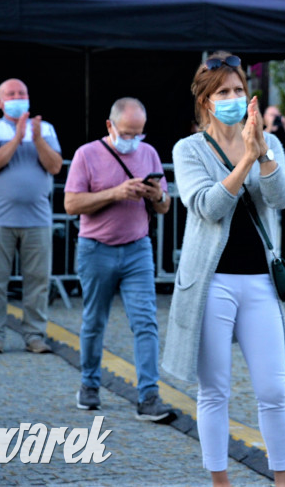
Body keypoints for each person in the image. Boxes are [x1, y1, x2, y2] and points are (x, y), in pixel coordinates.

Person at [163, 52, 285, 487]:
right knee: (215, 390)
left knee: (274, 390)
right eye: (224, 91)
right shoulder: (188, 149)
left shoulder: (267, 141)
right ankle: (220, 481)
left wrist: (262, 154)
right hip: (211, 282)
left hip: (260, 280)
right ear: (206, 100)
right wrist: (245, 160)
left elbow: (283, 198)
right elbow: (207, 206)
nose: (234, 97)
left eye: (239, 89)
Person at [63, 97, 175, 421]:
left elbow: (165, 205)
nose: (133, 140)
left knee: (145, 321)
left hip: (138, 248)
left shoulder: (148, 153)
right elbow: (71, 204)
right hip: (96, 248)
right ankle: (89, 384)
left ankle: (149, 395)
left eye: (139, 133)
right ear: (109, 126)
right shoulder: (86, 154)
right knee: (94, 319)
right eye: (127, 133)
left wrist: (157, 195)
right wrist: (115, 193)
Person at [0, 78, 62, 355]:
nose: (17, 97)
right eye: (11, 94)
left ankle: (35, 335)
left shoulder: (44, 129)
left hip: (37, 219)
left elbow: (55, 166)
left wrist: (36, 139)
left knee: (38, 282)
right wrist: (17, 138)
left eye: (21, 93)